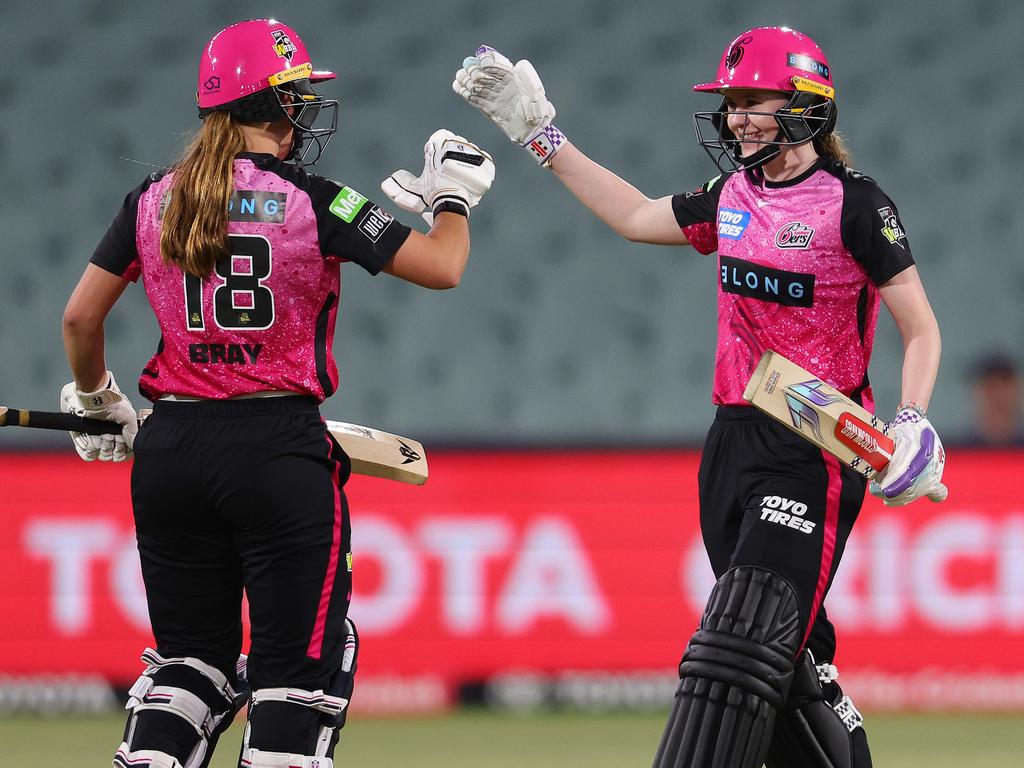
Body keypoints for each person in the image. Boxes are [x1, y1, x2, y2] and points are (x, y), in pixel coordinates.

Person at [454, 27, 945, 768]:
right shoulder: (730, 196)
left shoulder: (855, 203)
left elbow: (922, 327)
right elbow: (631, 216)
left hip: (815, 447)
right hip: (730, 445)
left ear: (806, 104)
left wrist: (911, 419)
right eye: (731, 103)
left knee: (747, 642)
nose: (738, 117)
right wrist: (539, 136)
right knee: (786, 670)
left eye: (754, 101)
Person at [60, 18, 494, 768]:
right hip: (277, 452)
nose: (305, 111)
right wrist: (452, 197)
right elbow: (442, 266)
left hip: (171, 452)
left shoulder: (151, 198)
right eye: (297, 95)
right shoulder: (317, 198)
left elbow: (79, 317)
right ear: (274, 106)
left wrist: (99, 400)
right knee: (300, 681)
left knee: (188, 669)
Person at [960, 352, 1024, 446]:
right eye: (991, 386)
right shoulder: (958, 451)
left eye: (1005, 384)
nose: (999, 395)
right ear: (977, 393)